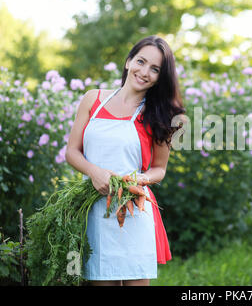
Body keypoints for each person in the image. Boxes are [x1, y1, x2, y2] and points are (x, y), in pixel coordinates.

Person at [66, 35, 185, 286]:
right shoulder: (93, 99)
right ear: (128, 61)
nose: (144, 72)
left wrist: (138, 179)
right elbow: (72, 152)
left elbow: (159, 169)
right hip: (94, 209)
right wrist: (95, 172)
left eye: (155, 69)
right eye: (141, 62)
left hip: (134, 208)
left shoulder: (159, 115)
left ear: (160, 78)